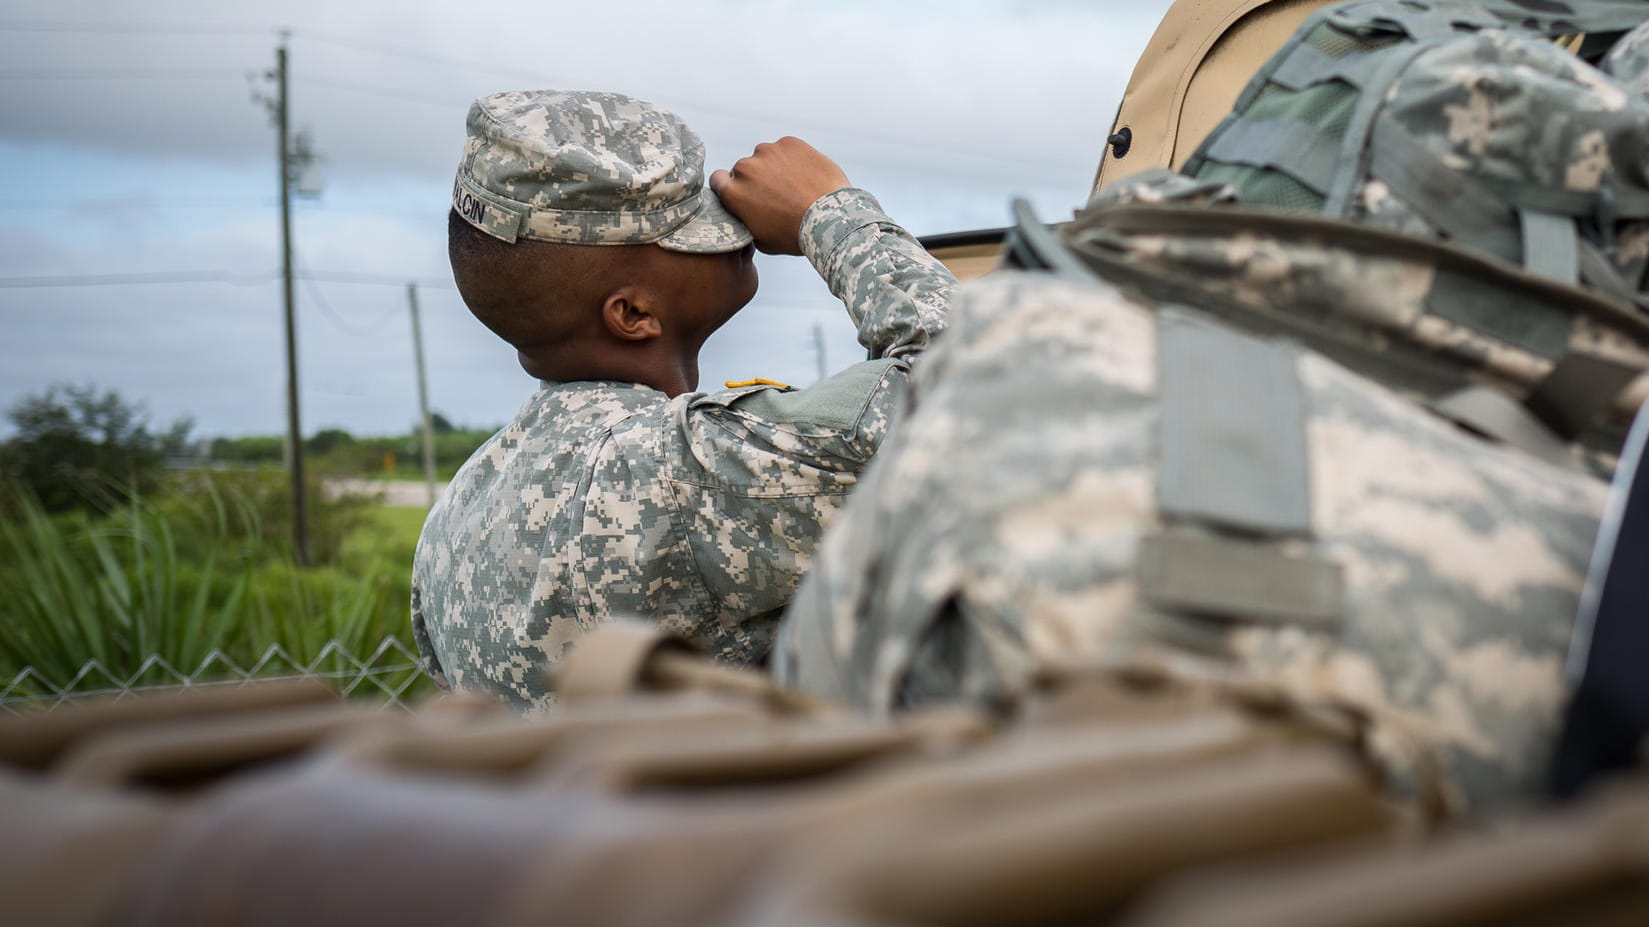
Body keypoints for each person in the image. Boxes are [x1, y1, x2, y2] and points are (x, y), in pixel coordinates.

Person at [412, 89, 955, 709]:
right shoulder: (687, 469)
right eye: (691, 230)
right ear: (634, 313)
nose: (730, 221)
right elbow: (986, 389)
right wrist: (830, 215)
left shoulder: (453, 516)